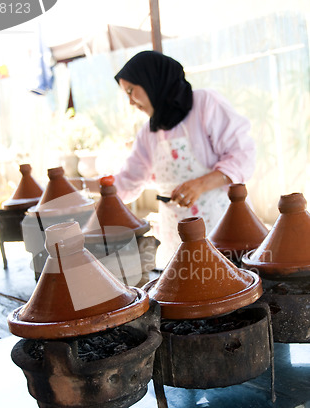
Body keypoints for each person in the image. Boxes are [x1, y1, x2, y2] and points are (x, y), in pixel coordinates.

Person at [83, 50, 256, 268]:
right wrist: (79, 187)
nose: (130, 102)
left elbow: (243, 155)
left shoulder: (204, 104)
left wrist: (200, 185)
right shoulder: (149, 131)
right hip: (176, 236)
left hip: (221, 229)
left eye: (131, 91)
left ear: (152, 81)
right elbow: (128, 181)